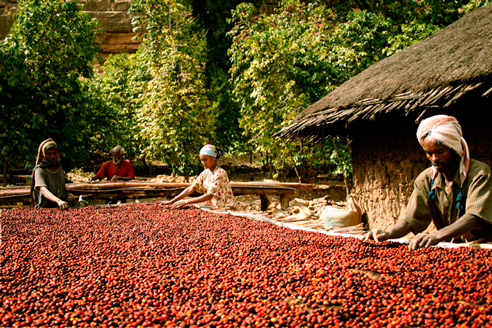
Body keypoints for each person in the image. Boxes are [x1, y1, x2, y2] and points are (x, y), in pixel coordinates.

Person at [364, 115, 492, 250]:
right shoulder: (426, 180)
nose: (434, 158)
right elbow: (411, 219)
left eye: (440, 151)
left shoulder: (479, 173)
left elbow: (474, 216)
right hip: (450, 247)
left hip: (483, 245)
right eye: (428, 153)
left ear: (455, 147)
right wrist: (389, 233)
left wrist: (437, 236)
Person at [162, 144, 235, 209]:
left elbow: (210, 195)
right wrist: (172, 201)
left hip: (224, 207)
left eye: (205, 160)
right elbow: (191, 188)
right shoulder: (205, 173)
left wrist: (186, 201)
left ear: (213, 158)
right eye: (201, 160)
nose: (203, 163)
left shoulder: (220, 173)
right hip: (212, 206)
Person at [30, 138, 78, 209]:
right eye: (49, 154)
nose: (52, 156)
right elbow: (43, 189)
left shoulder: (58, 168)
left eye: (54, 153)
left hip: (61, 206)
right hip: (45, 207)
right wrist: (58, 201)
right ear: (43, 155)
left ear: (58, 154)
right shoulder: (40, 170)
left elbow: (60, 188)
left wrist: (67, 196)